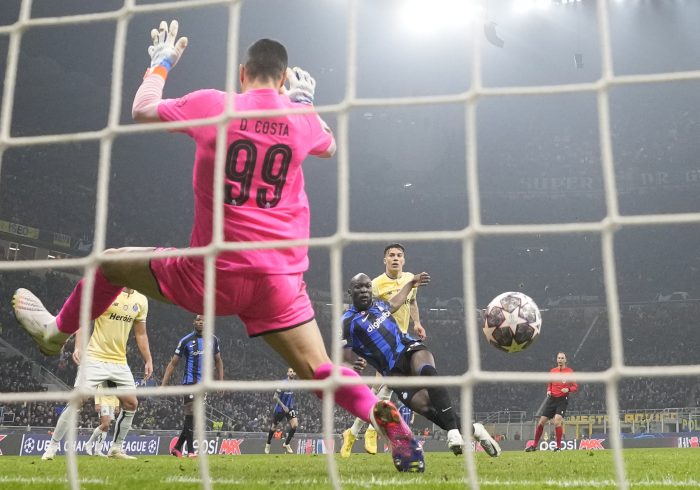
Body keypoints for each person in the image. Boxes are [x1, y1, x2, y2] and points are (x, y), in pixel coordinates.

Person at [11, 20, 423, 472]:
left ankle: (55, 333)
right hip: (278, 282)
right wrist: (304, 102)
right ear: (284, 78)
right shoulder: (301, 120)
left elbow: (142, 109)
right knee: (319, 369)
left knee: (108, 264)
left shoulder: (214, 105)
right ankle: (375, 413)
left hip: (208, 275)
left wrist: (161, 64)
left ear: (243, 73)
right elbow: (330, 146)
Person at [342, 272, 501, 458]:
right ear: (350, 292)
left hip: (409, 348)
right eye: (359, 287)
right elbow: (344, 353)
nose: (364, 290)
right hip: (392, 372)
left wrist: (411, 283)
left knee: (427, 372)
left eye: (367, 286)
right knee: (427, 409)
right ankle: (476, 431)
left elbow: (394, 303)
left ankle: (452, 432)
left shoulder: (378, 305)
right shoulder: (348, 322)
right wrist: (352, 366)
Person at [39, 288, 152, 460]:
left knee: (131, 403)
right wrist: (78, 346)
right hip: (95, 358)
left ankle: (116, 449)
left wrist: (148, 359)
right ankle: (52, 446)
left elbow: (141, 334)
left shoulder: (141, 300)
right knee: (78, 400)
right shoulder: (108, 292)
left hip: (119, 362)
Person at [341, 243, 426, 456]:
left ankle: (353, 432)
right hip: (381, 343)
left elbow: (412, 301)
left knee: (381, 389)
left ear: (404, 260)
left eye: (399, 255)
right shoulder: (376, 284)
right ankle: (369, 430)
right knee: (384, 387)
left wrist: (417, 323)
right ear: (385, 260)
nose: (395, 258)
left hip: (401, 339)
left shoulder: (409, 279)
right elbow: (366, 312)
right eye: (391, 255)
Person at [161, 315, 224, 457]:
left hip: (204, 386)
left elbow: (218, 361)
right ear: (194, 322)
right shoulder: (185, 341)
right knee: (190, 416)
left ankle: (177, 447)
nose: (201, 322)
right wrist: (163, 384)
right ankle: (190, 451)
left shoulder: (213, 340)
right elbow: (173, 363)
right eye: (198, 320)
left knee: (194, 419)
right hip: (189, 383)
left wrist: (221, 381)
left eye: (203, 320)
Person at [525, 351, 578, 452]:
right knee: (541, 422)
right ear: (556, 360)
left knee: (557, 421)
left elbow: (575, 386)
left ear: (565, 360)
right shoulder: (552, 371)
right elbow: (550, 383)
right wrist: (548, 390)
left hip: (562, 400)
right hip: (552, 400)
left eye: (562, 358)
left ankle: (558, 447)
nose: (560, 360)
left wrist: (568, 390)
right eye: (559, 358)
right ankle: (534, 446)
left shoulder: (570, 372)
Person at [265, 367, 299, 454]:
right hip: (280, 408)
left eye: (293, 372)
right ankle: (268, 443)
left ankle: (286, 443)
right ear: (287, 373)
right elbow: (275, 397)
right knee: (273, 427)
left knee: (295, 425)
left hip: (289, 407)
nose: (292, 373)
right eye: (290, 372)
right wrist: (283, 406)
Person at [85, 383, 121, 456]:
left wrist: (117, 405)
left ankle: (97, 451)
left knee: (106, 428)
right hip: (103, 402)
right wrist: (97, 403)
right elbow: (98, 390)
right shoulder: (104, 376)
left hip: (112, 404)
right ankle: (89, 443)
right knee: (105, 423)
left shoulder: (115, 378)